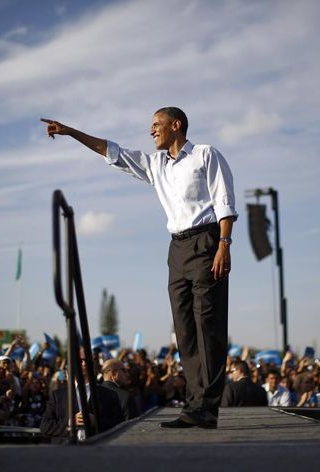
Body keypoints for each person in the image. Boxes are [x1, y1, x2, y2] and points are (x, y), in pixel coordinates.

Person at [42, 107, 237, 429]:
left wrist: (224, 245)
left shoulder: (205, 154)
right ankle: (194, 405)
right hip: (177, 247)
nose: (151, 131)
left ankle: (207, 407)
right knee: (185, 330)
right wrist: (71, 132)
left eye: (156, 125)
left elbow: (224, 201)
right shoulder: (155, 164)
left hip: (207, 241)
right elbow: (112, 151)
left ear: (176, 126)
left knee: (209, 326)